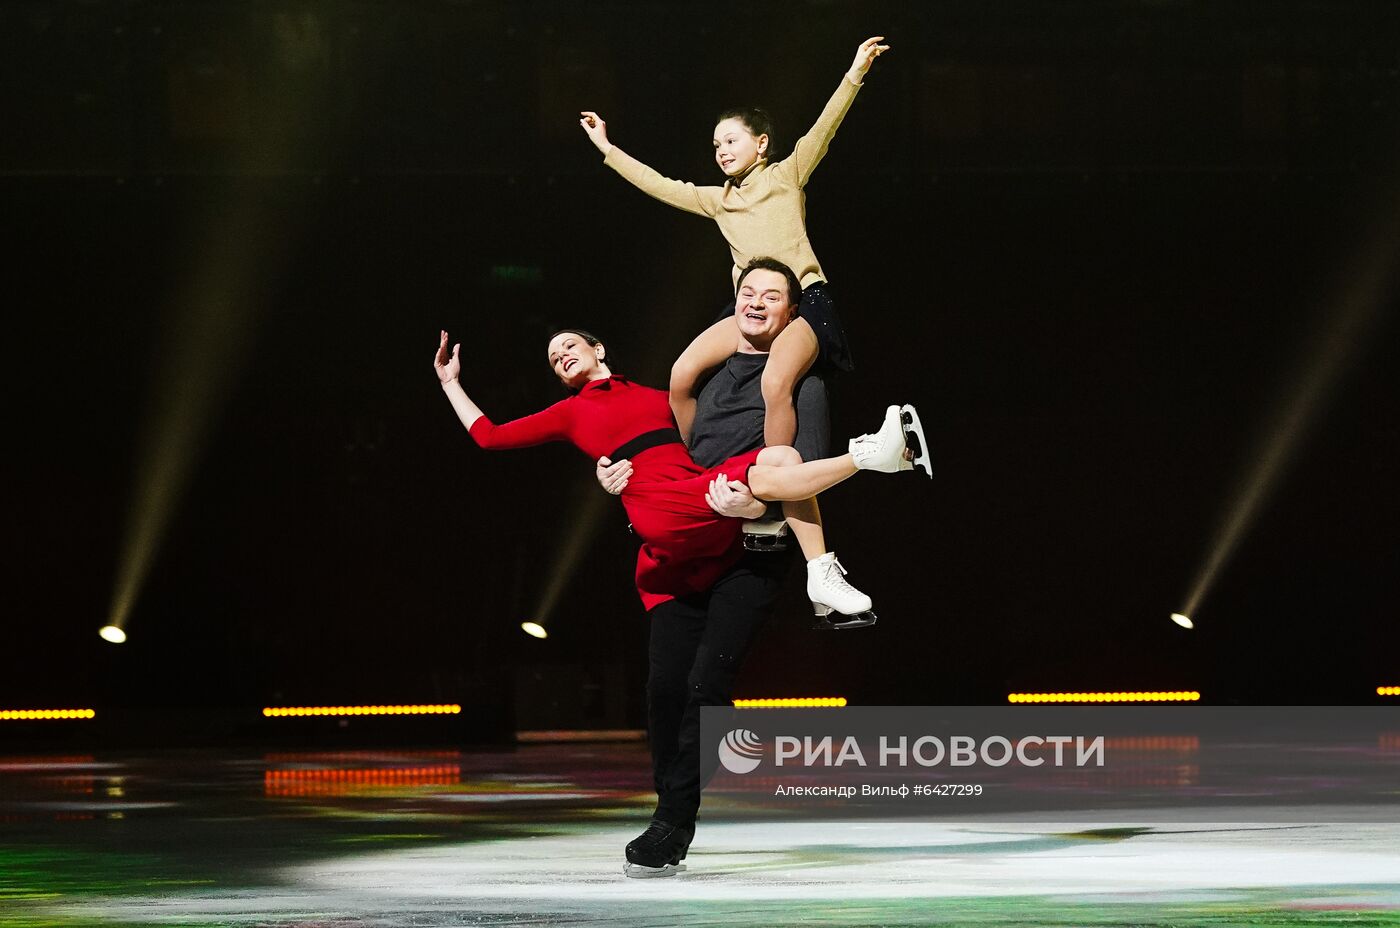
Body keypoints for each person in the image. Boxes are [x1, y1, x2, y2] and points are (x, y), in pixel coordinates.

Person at [432, 304, 921, 618]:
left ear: (597, 349)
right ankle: (870, 455)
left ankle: (820, 574)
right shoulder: (569, 413)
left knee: (781, 453)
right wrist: (451, 383)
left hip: (697, 486)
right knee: (766, 472)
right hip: (658, 507)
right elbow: (489, 437)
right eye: (553, 357)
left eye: (568, 345)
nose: (559, 355)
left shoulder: (656, 396)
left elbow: (714, 427)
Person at [579, 36, 891, 451]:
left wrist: (856, 73)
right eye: (715, 146)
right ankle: (698, 464)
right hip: (751, 306)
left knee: (775, 380)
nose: (721, 152)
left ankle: (775, 473)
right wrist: (606, 147)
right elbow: (658, 185)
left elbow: (824, 128)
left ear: (761, 144)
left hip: (804, 300)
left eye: (730, 141)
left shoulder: (786, 175)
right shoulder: (718, 200)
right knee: (682, 374)